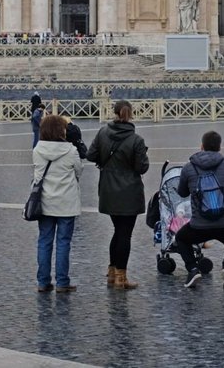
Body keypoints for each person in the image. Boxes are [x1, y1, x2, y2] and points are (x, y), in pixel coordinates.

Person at [85, 99, 149, 290]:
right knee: (124, 234)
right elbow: (142, 167)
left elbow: (90, 155)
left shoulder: (103, 132)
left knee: (117, 231)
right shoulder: (136, 140)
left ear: (114, 113)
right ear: (131, 115)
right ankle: (121, 276)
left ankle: (112, 271)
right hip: (129, 191)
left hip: (108, 189)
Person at [174, 131, 224, 289]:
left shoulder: (189, 168)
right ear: (220, 147)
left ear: (202, 146)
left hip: (199, 225)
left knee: (181, 239)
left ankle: (193, 269)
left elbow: (182, 192)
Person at [32, 114, 84, 293]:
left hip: (44, 202)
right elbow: (79, 170)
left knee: (44, 241)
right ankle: (62, 282)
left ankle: (42, 281)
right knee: (63, 243)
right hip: (66, 203)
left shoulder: (37, 149)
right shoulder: (70, 150)